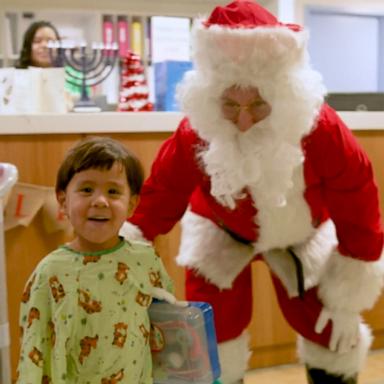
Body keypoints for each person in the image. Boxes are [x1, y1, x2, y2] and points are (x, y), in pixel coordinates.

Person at [120, 1, 384, 383]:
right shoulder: (196, 130)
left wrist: (349, 293)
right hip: (220, 229)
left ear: (283, 95)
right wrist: (129, 246)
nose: (244, 121)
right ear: (212, 100)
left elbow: (357, 199)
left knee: (330, 330)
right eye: (230, 105)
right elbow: (162, 192)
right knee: (211, 334)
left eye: (259, 105)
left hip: (301, 233)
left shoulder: (320, 128)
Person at [16, 136, 174, 383]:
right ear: (63, 200)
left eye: (113, 191)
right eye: (87, 189)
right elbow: (33, 353)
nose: (100, 201)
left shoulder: (146, 261)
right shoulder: (49, 273)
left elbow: (168, 329)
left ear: (131, 204)